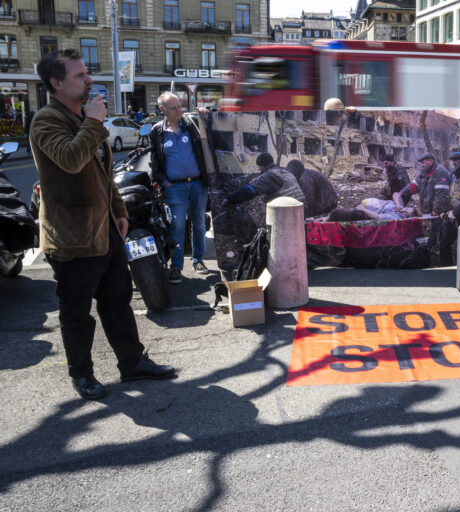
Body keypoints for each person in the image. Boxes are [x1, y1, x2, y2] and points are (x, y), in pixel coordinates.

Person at [29, 49, 175, 400]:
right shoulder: (47, 121)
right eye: (79, 75)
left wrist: (119, 211)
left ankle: (132, 362)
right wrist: (94, 122)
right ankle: (82, 375)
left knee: (117, 300)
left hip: (105, 229)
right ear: (57, 83)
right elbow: (71, 160)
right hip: (72, 237)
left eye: (86, 73)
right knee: (76, 312)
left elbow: (104, 175)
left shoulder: (83, 119)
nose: (89, 79)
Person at [149, 91, 209, 284]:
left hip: (198, 183)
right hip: (175, 187)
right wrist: (165, 183)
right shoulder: (157, 132)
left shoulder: (190, 125)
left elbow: (209, 137)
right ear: (162, 110)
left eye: (180, 106)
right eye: (174, 108)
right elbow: (155, 163)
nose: (179, 111)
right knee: (177, 226)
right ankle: (176, 266)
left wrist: (204, 118)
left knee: (199, 224)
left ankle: (198, 260)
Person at [394, 152, 451, 255]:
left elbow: (442, 194)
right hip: (429, 206)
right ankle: (432, 247)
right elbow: (414, 185)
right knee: (434, 228)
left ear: (430, 160)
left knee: (438, 227)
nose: (422, 165)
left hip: (440, 207)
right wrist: (402, 192)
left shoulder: (440, 172)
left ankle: (434, 248)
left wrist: (436, 210)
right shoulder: (423, 172)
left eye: (423, 162)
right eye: (421, 163)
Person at [222, 153, 305, 209]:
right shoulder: (284, 172)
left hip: (286, 210)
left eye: (259, 166)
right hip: (301, 208)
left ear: (263, 165)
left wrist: (230, 199)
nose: (258, 169)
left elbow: (250, 190)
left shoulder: (270, 176)